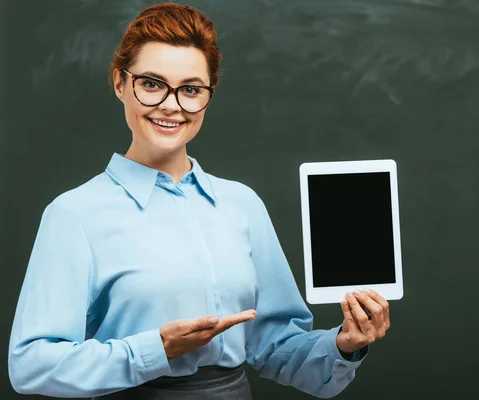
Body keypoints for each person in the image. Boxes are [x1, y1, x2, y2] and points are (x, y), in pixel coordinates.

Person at [8, 3, 391, 399]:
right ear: (120, 83)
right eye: (152, 84)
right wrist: (154, 351)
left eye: (191, 89)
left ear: (208, 95)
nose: (172, 105)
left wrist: (345, 344)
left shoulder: (242, 204)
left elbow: (275, 347)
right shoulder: (73, 214)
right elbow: (32, 365)